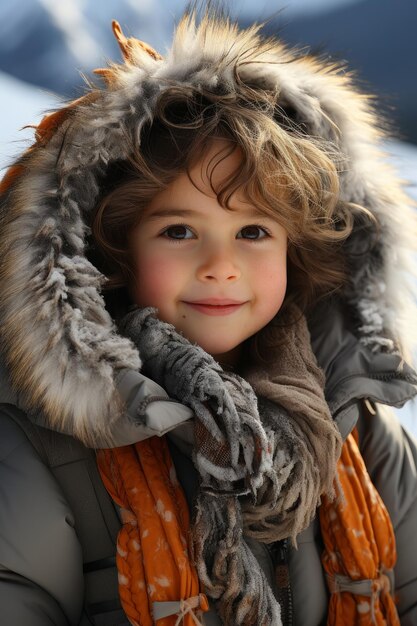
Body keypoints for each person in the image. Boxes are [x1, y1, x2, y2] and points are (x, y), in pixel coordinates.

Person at [0, 7, 416, 626]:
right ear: (110, 250)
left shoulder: (355, 424)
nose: (222, 265)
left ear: (297, 251)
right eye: (179, 230)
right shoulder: (44, 443)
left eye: (252, 230)